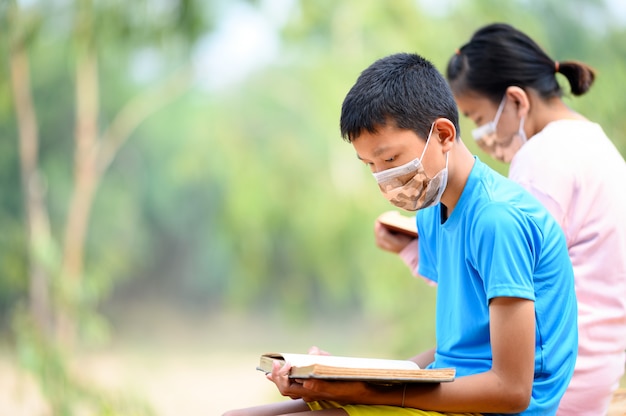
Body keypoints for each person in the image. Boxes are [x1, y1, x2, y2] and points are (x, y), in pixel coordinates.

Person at [223, 52, 577, 416]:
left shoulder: (497, 220)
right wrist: (349, 380)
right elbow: (454, 352)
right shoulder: (433, 212)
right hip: (453, 394)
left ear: (442, 134)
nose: (383, 178)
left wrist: (372, 392)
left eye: (390, 159)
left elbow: (511, 390)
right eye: (370, 166)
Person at [378, 22, 626, 416]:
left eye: (477, 117)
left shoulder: (542, 160)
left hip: (549, 370)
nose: (480, 134)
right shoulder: (595, 143)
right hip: (603, 363)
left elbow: (504, 270)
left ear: (515, 101)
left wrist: (413, 252)